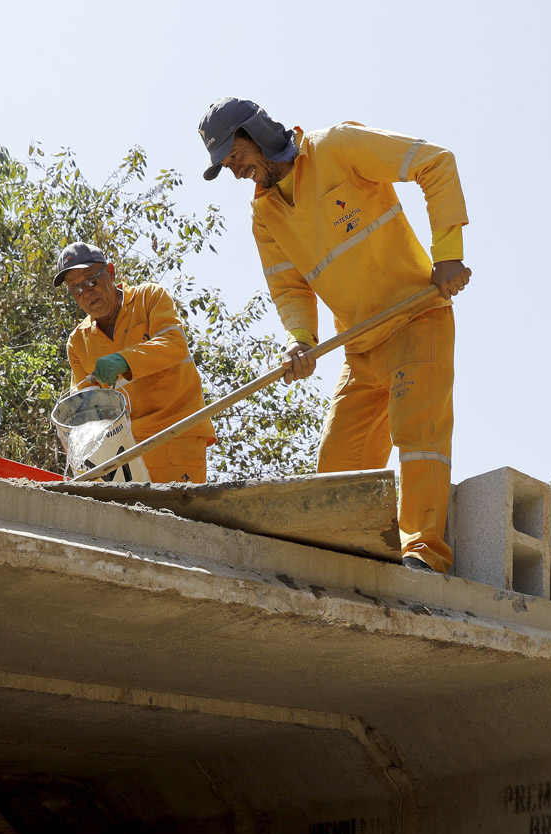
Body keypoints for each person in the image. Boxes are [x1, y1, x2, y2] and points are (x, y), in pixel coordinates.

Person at [198, 97, 470, 572]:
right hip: (360, 344)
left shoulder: (339, 147)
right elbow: (288, 286)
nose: (236, 171)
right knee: (336, 470)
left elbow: (436, 162)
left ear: (256, 132)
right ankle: (347, 559)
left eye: (235, 157)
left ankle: (424, 553)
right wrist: (301, 340)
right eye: (225, 165)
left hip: (416, 317)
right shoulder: (265, 215)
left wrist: (447, 252)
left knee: (419, 435)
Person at [58, 242, 212, 483]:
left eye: (91, 280)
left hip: (175, 435)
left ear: (110, 272)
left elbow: (174, 344)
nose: (86, 293)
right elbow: (84, 412)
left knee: (174, 519)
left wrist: (124, 359)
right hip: (123, 449)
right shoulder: (78, 342)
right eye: (75, 289)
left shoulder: (149, 298)